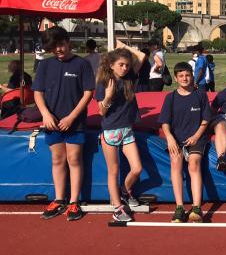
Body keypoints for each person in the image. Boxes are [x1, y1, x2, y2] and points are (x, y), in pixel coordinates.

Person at [33, 27, 95, 221]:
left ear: (68, 42)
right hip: (52, 122)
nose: (58, 49)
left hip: (75, 122)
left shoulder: (82, 64)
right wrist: (45, 114)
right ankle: (59, 199)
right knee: (57, 159)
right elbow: (38, 92)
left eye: (60, 44)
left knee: (74, 159)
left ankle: (74, 201)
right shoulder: (45, 65)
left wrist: (71, 117)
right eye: (53, 47)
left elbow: (88, 93)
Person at [96, 40, 147, 222]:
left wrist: (122, 45)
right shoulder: (104, 83)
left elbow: (141, 56)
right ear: (111, 65)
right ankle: (117, 208)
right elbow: (101, 111)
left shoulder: (129, 78)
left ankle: (124, 190)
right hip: (110, 132)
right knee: (114, 171)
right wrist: (108, 97)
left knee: (137, 168)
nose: (125, 68)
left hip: (127, 131)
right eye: (121, 64)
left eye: (127, 65)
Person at [158, 62, 212, 223]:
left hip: (196, 137)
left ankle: (196, 208)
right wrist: (169, 138)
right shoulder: (170, 97)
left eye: (187, 75)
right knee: (175, 161)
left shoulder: (200, 95)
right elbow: (165, 123)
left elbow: (206, 120)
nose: (184, 78)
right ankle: (179, 207)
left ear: (192, 76)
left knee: (194, 163)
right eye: (181, 76)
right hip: (176, 138)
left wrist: (196, 136)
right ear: (175, 78)